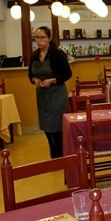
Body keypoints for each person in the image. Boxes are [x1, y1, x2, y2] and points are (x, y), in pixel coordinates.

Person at [28, 26, 72, 158]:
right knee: (46, 126)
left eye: (42, 37)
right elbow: (30, 74)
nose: (39, 40)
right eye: (37, 37)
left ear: (49, 38)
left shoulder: (57, 54)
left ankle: (62, 155)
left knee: (57, 125)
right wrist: (34, 79)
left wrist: (53, 80)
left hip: (56, 94)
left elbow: (67, 73)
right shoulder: (34, 56)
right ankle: (54, 154)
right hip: (42, 96)